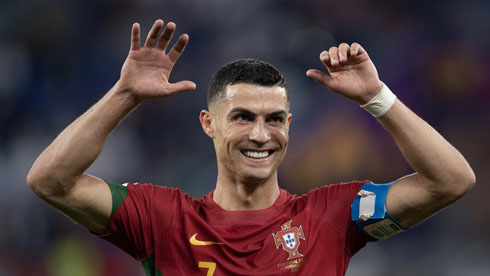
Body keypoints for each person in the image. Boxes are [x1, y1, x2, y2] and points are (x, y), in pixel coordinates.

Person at [27, 19, 475, 275]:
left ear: (289, 126)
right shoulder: (161, 219)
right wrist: (124, 95)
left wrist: (377, 99)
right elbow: (51, 180)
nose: (261, 135)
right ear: (209, 124)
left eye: (274, 119)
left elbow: (451, 180)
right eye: (242, 117)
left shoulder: (332, 216)